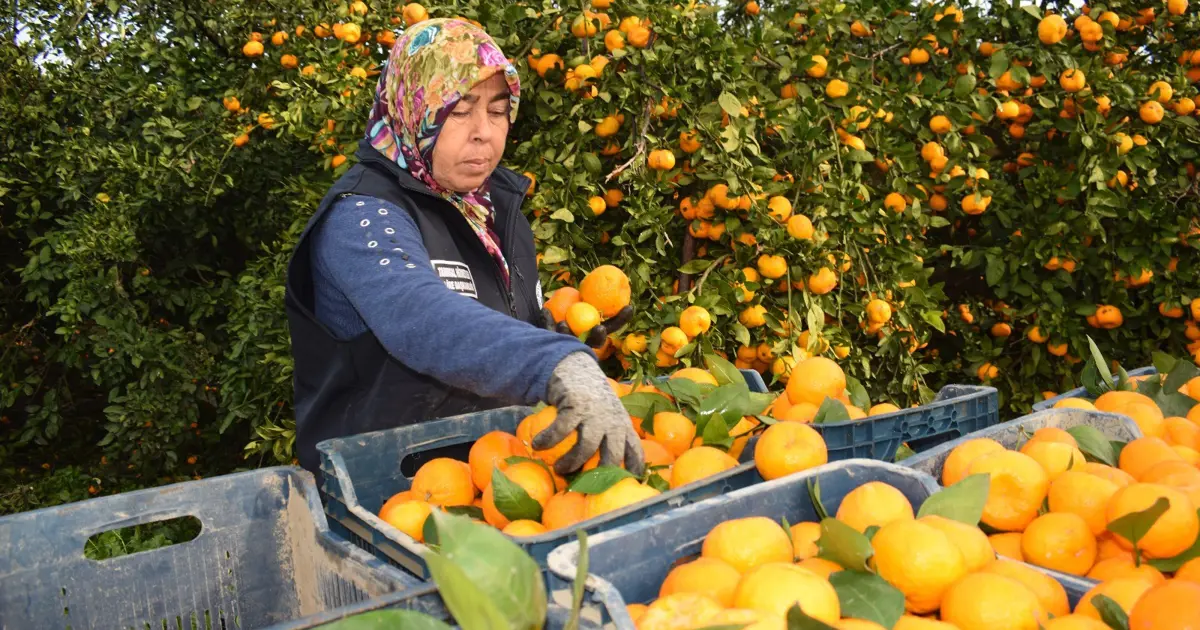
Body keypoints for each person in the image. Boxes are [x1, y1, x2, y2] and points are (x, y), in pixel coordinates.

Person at [284, 18, 644, 477]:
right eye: (459, 110)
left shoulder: (492, 210)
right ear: (414, 109)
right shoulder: (361, 215)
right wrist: (552, 362)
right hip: (386, 499)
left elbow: (494, 326)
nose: (484, 132)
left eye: (497, 111)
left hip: (496, 480)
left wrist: (558, 338)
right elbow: (419, 314)